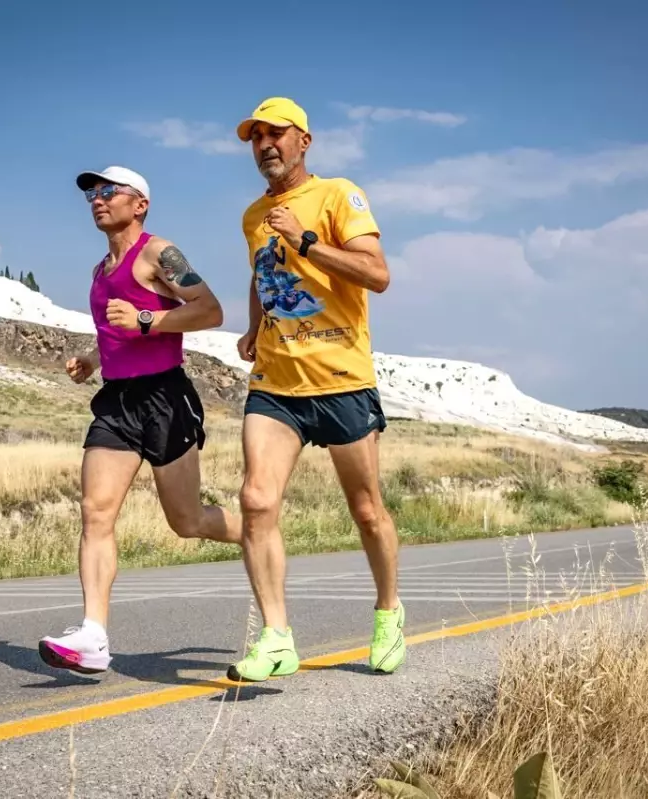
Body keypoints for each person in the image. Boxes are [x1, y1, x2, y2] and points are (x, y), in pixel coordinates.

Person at [226, 98, 405, 682]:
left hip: (340, 379)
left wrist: (305, 240)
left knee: (367, 511)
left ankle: (388, 612)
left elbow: (377, 275)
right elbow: (262, 272)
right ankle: (276, 637)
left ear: (304, 140)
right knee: (256, 500)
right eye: (256, 138)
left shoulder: (337, 196)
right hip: (276, 382)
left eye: (275, 134)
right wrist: (253, 326)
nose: (265, 146)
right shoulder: (253, 215)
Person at [39, 165, 243, 674]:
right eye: (92, 192)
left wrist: (148, 319)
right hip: (117, 402)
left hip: (165, 398)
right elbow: (116, 331)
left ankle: (258, 532)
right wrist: (92, 358)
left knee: (187, 522)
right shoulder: (100, 271)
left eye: (109, 191)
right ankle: (93, 636)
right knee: (95, 511)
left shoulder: (158, 254)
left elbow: (210, 310)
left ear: (140, 204)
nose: (98, 199)